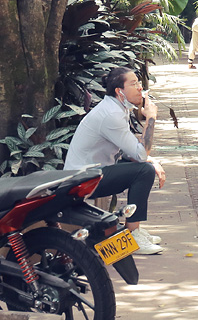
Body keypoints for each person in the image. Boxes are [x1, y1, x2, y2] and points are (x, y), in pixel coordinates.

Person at [63, 67, 167, 254]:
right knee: (144, 172)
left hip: (94, 171)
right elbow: (140, 154)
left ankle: (135, 230)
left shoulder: (117, 108)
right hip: (82, 179)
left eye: (139, 83)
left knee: (144, 167)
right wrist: (151, 117)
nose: (139, 88)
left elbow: (133, 152)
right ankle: (132, 234)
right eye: (133, 84)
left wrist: (149, 160)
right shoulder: (111, 114)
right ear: (120, 91)